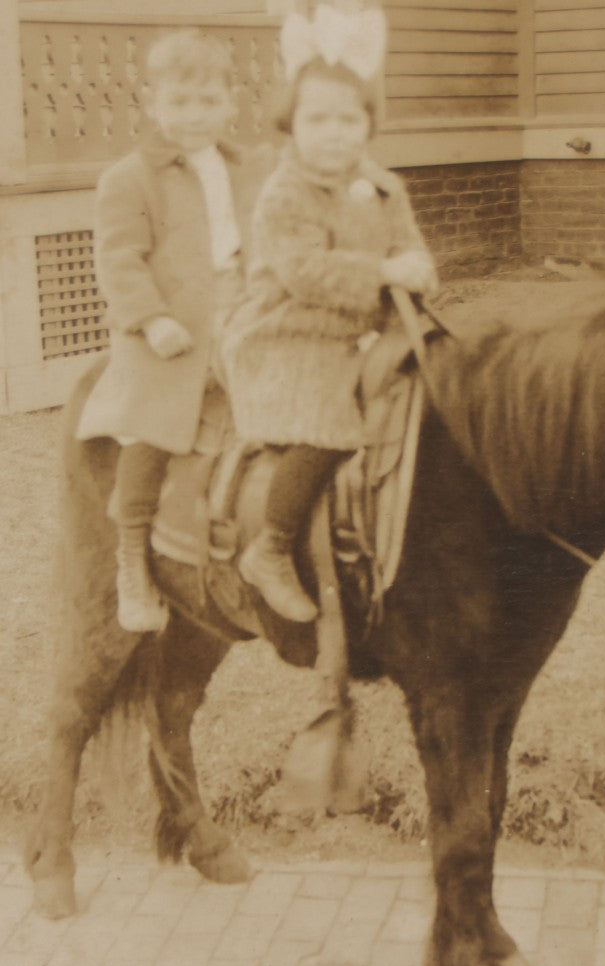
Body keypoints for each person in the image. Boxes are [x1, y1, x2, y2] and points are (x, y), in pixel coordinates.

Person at [222, 2, 437, 623]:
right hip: (289, 332)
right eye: (317, 119)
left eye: (349, 119)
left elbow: (408, 247)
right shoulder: (285, 192)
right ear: (290, 125)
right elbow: (305, 273)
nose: (335, 132)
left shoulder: (385, 187)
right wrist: (383, 273)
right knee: (327, 422)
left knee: (435, 394)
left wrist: (419, 268)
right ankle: (271, 548)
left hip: (365, 330)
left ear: (369, 125)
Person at [77, 30, 273, 633]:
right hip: (169, 333)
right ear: (154, 104)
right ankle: (132, 558)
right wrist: (152, 317)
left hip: (242, 317)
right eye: (180, 102)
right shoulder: (130, 177)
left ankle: (276, 542)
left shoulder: (249, 168)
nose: (195, 115)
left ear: (231, 103)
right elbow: (119, 258)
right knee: (151, 437)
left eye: (208, 101)